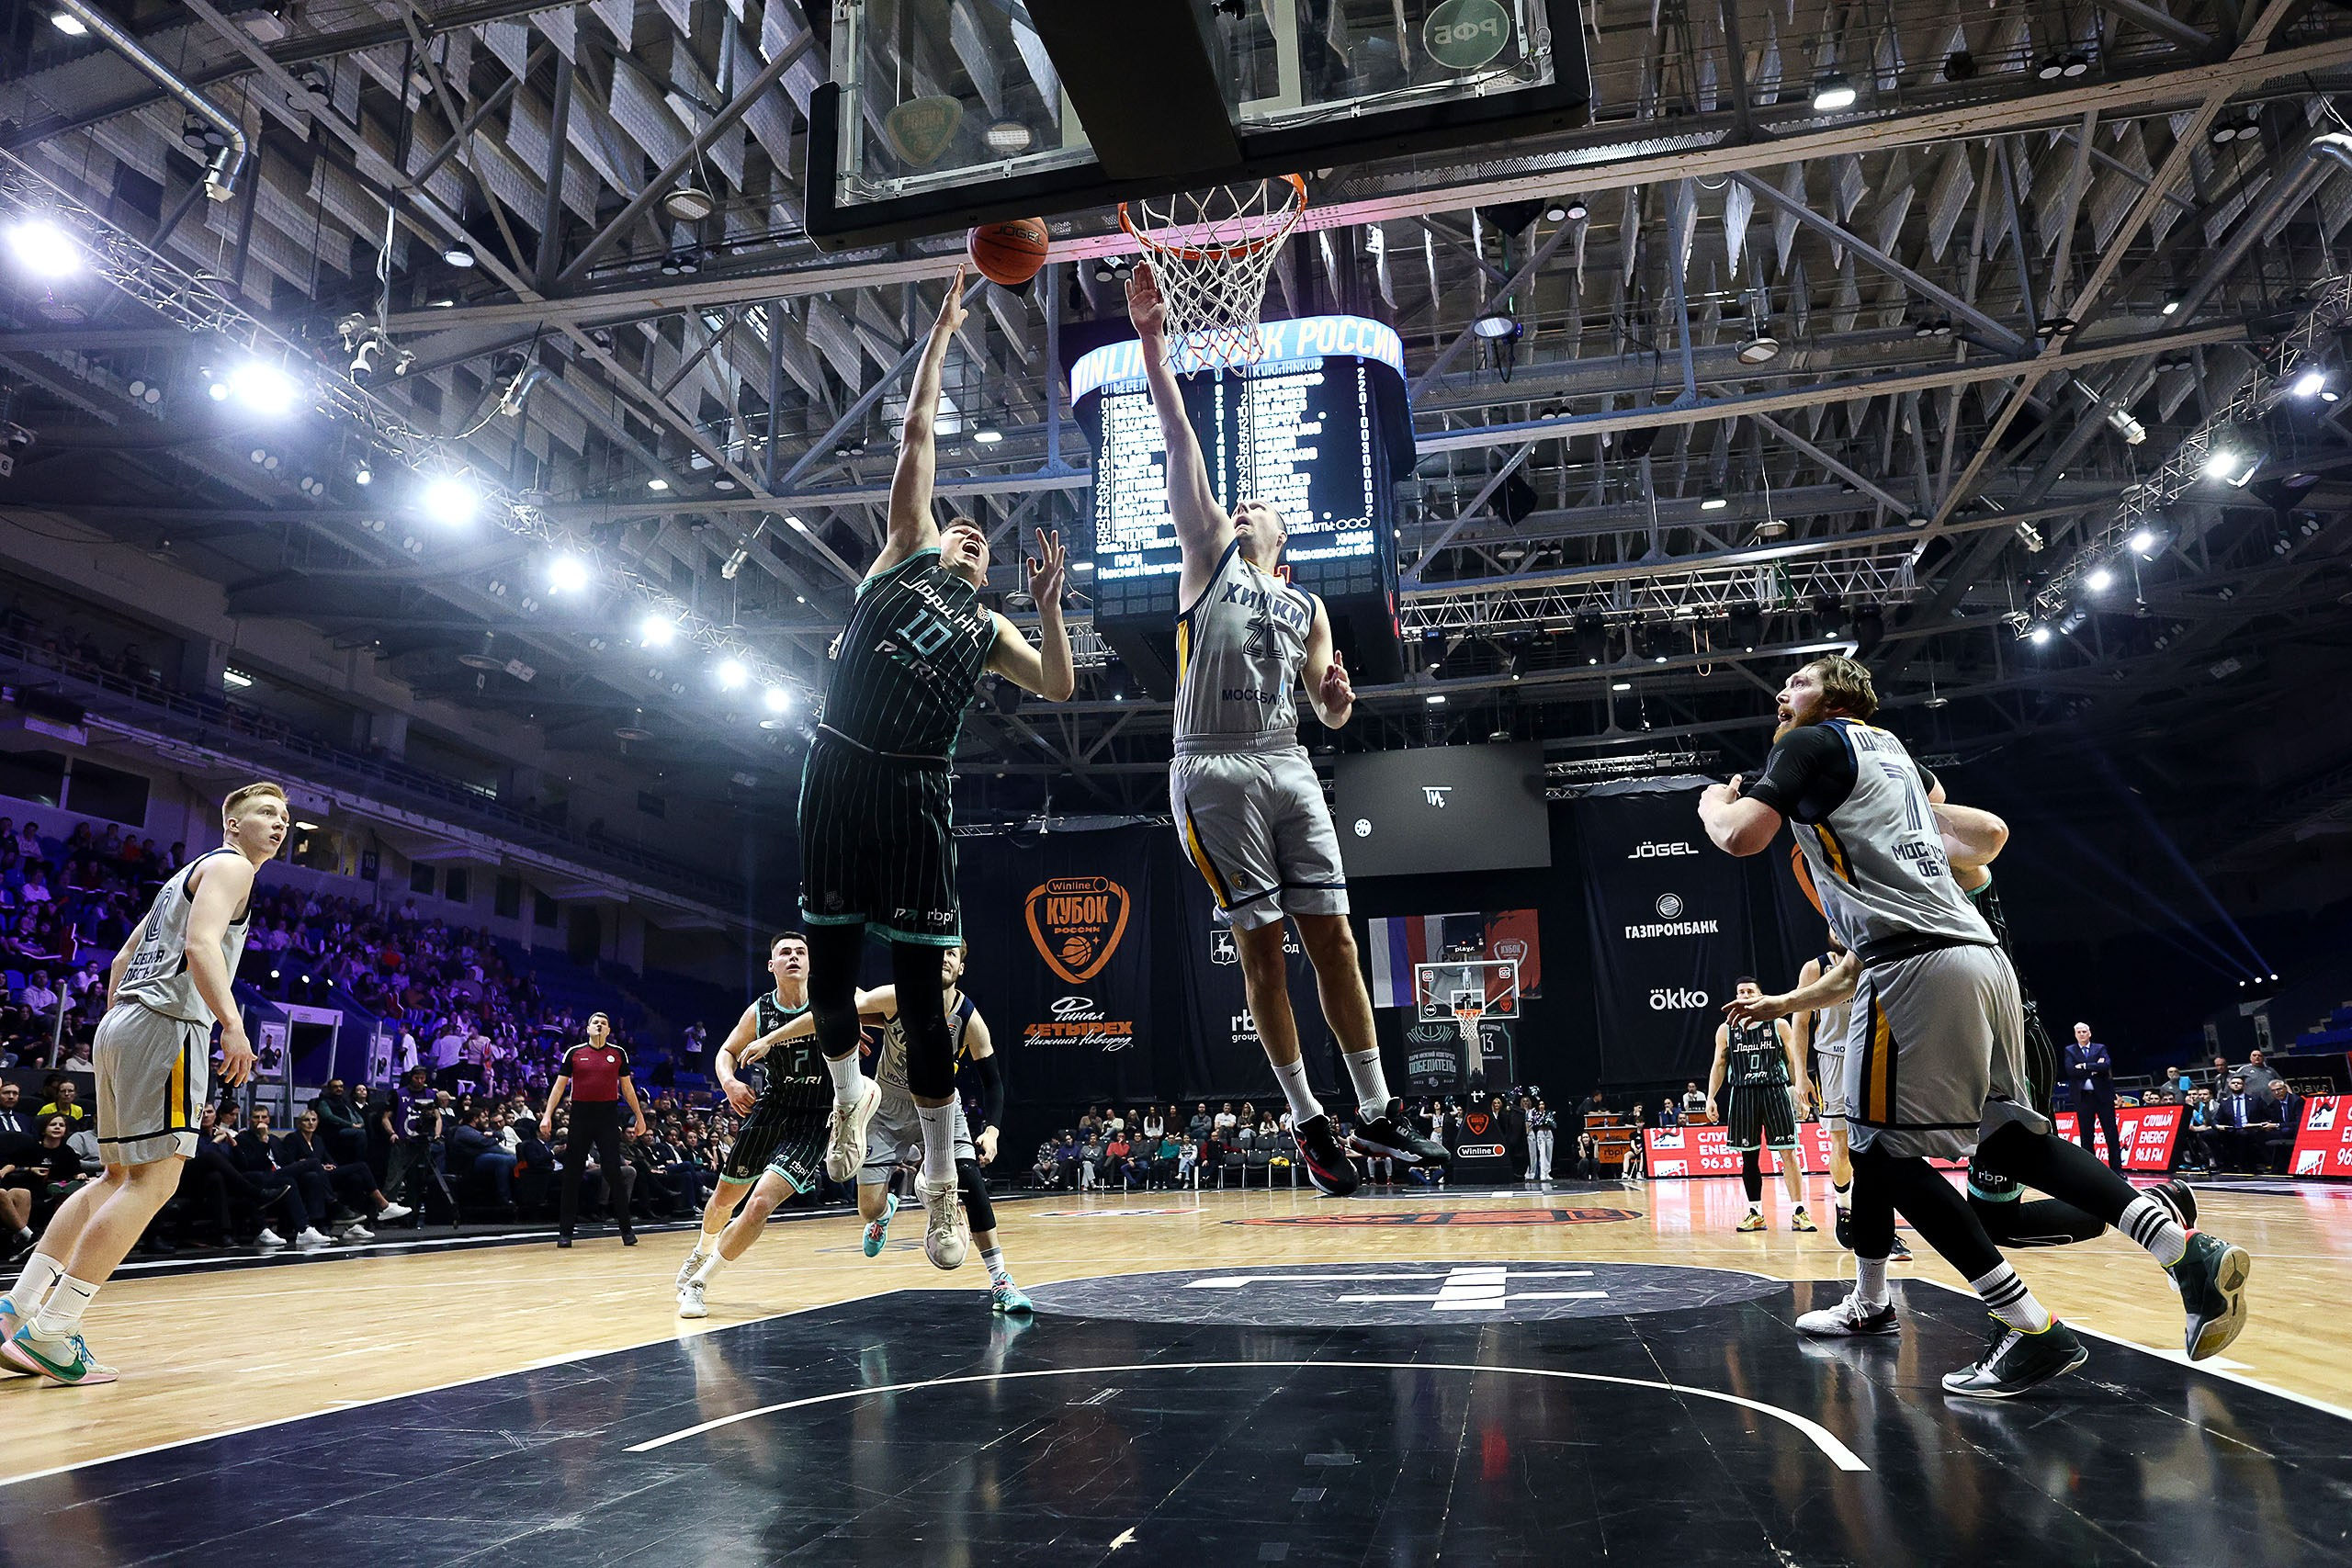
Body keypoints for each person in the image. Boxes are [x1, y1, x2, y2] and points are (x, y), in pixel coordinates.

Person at [1701, 657, 2246, 1395]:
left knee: (1880, 1153)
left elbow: (1739, 836)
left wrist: (1712, 801)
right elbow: (1981, 829)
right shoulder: (1894, 753)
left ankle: (2026, 1324)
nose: (1780, 694)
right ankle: (2186, 1251)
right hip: (1978, 958)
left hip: (1911, 967)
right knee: (2014, 1141)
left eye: (1794, 682)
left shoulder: (1810, 744)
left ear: (1832, 694)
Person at [1125, 260, 1444, 1197]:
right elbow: (1179, 438)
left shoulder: (1308, 604)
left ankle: (1377, 1109)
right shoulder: (1207, 558)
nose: (1249, 501)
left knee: (1335, 940)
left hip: (1287, 760)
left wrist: (1340, 701)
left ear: (1287, 534)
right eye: (1243, 501)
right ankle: (1309, 1120)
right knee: (1262, 949)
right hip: (1210, 768)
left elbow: (1327, 707)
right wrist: (1152, 343)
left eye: (1263, 503)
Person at [797, 269, 1076, 1271]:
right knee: (828, 976)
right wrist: (942, 338)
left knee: (924, 1006)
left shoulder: (992, 621)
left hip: (917, 787)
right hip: (837, 766)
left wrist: (1045, 606)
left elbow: (1055, 686)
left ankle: (944, 1194)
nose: (970, 533)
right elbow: (916, 439)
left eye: (983, 539)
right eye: (963, 525)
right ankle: (844, 1104)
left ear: (990, 569)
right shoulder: (900, 554)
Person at [1, 781, 286, 1385]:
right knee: (156, 1178)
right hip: (166, 1027)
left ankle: (17, 1308)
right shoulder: (234, 868)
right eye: (265, 812)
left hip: (123, 1023)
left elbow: (119, 959)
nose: (278, 822)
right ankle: (53, 1329)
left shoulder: (185, 875)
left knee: (115, 1176)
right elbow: (201, 944)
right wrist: (231, 1026)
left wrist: (122, 1021)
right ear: (232, 824)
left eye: (284, 816)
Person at [725, 944, 1032, 1314]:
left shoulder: (969, 1019)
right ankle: (886, 1210)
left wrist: (993, 1130)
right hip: (887, 1109)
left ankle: (1001, 1279)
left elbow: (993, 1082)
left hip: (940, 1104)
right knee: (867, 1209)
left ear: (962, 968)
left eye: (953, 954)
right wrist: (772, 1038)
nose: (945, 959)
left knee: (969, 1178)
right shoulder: (895, 997)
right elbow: (831, 1014)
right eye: (941, 952)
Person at [673, 933, 833, 1302]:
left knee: (760, 1203)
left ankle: (700, 1283)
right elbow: (726, 1051)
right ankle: (700, 1252)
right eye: (784, 953)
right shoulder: (760, 1011)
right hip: (771, 1109)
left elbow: (883, 1011)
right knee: (724, 1199)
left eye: (801, 952)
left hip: (815, 1117)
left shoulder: (832, 999)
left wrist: (857, 1024)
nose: (793, 957)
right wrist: (729, 1082)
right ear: (771, 965)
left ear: (810, 963)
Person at [1707, 978, 1815, 1233]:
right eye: (1740, 992)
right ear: (1736, 997)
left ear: (1759, 995)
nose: (1745, 995)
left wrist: (1798, 1089)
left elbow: (1791, 1059)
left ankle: (1799, 1211)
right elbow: (1719, 1064)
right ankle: (1755, 1212)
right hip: (1743, 1093)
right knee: (1749, 1156)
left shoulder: (1778, 1024)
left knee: (1788, 1153)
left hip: (1775, 1090)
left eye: (1749, 991)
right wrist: (1711, 1096)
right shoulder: (1726, 1030)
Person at [537, 1012, 648, 1247]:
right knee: (572, 1174)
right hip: (580, 1115)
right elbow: (559, 1087)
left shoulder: (618, 1053)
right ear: (587, 1028)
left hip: (608, 1116)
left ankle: (627, 1231)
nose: (599, 1025)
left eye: (604, 1023)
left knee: (614, 1173)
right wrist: (547, 1115)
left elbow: (627, 1089)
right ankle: (565, 1233)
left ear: (609, 1030)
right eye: (595, 1022)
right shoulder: (574, 1053)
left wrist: (639, 1117)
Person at [1787, 935, 1856, 1237]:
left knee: (1878, 1145)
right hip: (1833, 1060)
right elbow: (1800, 1022)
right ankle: (1845, 1209)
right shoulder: (1815, 968)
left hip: (1872, 1055)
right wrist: (1801, 1075)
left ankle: (1880, 1220)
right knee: (1842, 1144)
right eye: (1831, 925)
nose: (1837, 930)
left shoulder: (1870, 959)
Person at [2064, 1022, 2123, 1172]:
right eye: (2079, 1032)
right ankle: (2091, 1171)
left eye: (2085, 1031)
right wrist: (2094, 1066)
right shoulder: (2070, 1050)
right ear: (2075, 1034)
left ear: (2090, 1033)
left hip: (2103, 1097)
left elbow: (2105, 1066)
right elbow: (2071, 1070)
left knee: (2111, 1133)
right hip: (2083, 1098)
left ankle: (2117, 1169)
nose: (2082, 1034)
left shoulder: (2100, 1048)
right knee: (2086, 1135)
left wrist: (2083, 1066)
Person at [2259, 1079, 2303, 1174]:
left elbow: (2299, 1122)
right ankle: (2272, 1165)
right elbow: (2274, 1119)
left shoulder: (2296, 1101)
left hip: (2295, 1130)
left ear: (2285, 1089)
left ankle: (2284, 1165)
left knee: (2285, 1131)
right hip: (2282, 1129)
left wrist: (2276, 1125)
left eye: (2279, 1089)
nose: (2277, 1092)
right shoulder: (2275, 1103)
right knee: (2260, 1136)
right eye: (2273, 1091)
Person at [1524, 1097, 1555, 1181]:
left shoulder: (1548, 1113)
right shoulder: (1536, 1114)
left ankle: (1547, 1172)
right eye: (1540, 1104)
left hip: (1548, 1133)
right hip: (1540, 1133)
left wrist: (1549, 1121)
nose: (1541, 1106)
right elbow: (1533, 1123)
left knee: (1549, 1153)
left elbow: (1554, 1124)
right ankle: (1542, 1173)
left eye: (1543, 1104)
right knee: (1542, 1153)